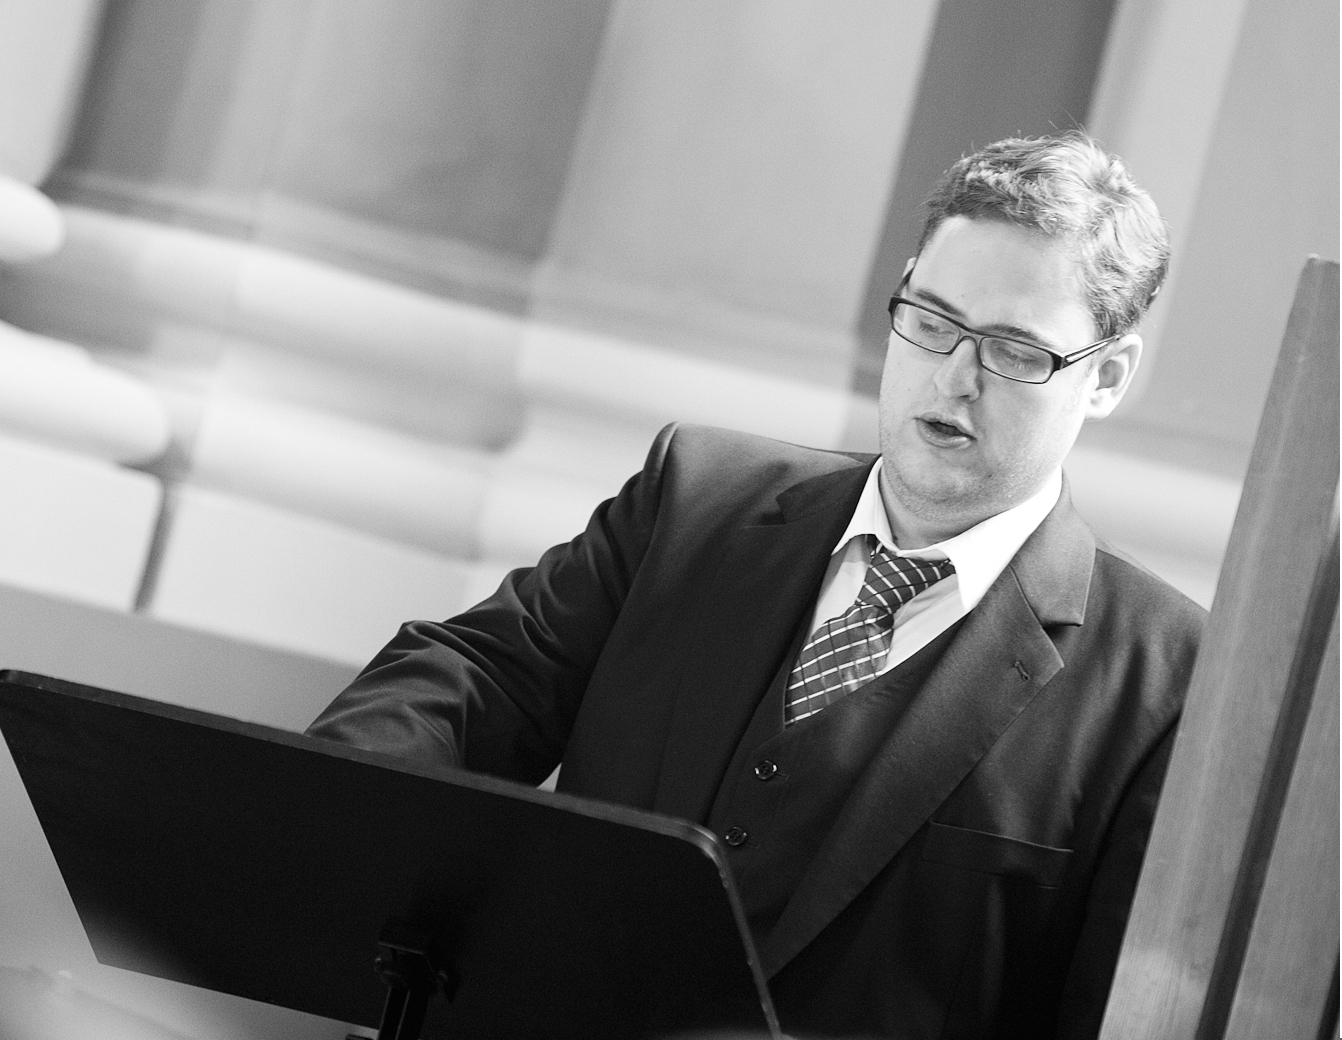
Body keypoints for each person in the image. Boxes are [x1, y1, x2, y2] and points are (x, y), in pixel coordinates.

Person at [307, 133, 1205, 1039]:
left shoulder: (1164, 687)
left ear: (1107, 377)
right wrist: (322, 814)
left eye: (1013, 350)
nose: (953, 378)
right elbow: (474, 681)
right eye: (932, 322)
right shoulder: (694, 498)